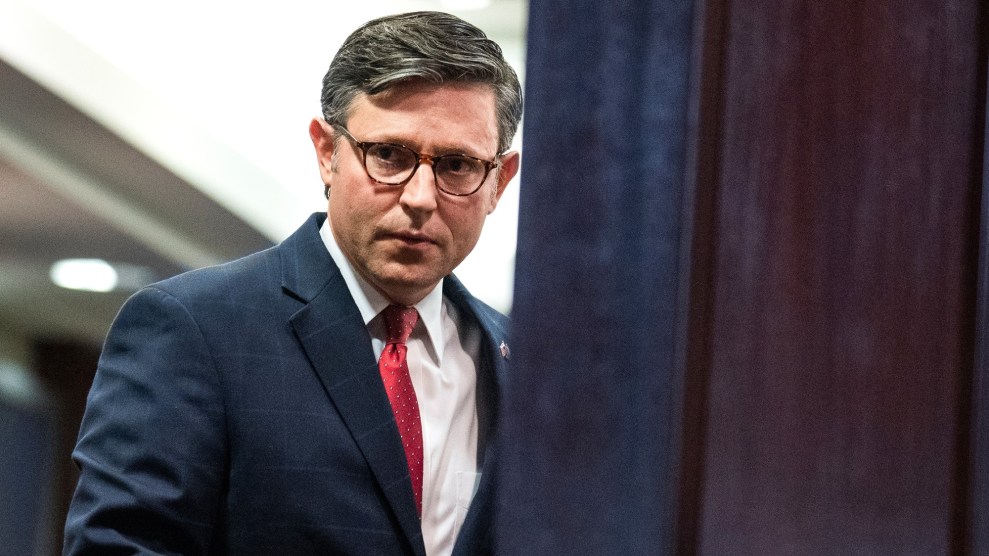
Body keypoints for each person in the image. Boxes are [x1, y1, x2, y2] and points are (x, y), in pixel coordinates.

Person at [62, 11, 521, 556]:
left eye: (456, 165)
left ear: (499, 180)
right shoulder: (194, 330)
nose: (420, 197)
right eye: (389, 156)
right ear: (326, 152)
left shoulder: (527, 368)